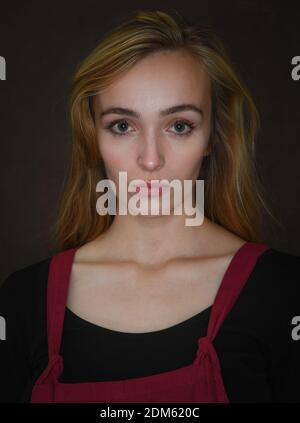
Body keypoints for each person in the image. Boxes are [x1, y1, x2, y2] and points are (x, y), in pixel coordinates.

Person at [1, 9, 300, 403]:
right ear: (93, 136)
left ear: (212, 135)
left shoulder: (285, 293)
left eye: (179, 125)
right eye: (122, 126)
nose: (151, 159)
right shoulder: (22, 302)